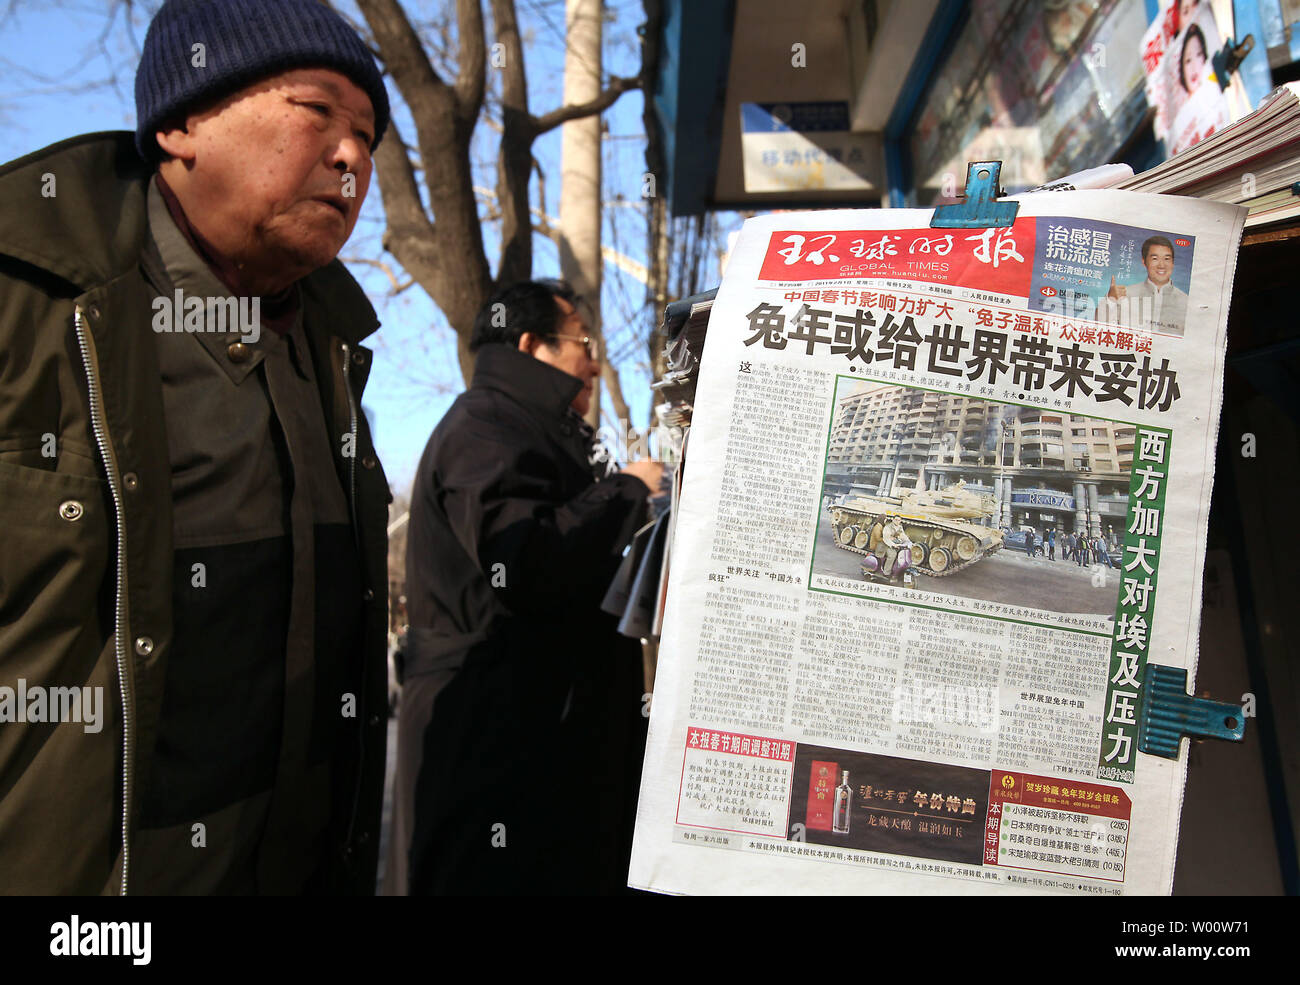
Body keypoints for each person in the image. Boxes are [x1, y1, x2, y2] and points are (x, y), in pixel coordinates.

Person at [0, 0, 392, 894]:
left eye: (367, 137)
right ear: (180, 124)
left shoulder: (332, 351)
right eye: (316, 111)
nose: (351, 157)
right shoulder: (29, 305)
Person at [389, 280, 664, 895]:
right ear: (531, 345)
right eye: (582, 343)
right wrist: (628, 490)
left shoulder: (526, 427)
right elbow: (527, 562)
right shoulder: (486, 426)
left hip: (531, 736)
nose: (592, 363)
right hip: (495, 748)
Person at [1098, 235, 1189, 336]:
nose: (1161, 265)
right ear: (1144, 262)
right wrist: (1110, 301)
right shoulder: (1124, 294)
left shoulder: (1186, 302)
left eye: (1167, 259)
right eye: (1155, 258)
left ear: (1173, 263)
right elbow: (1100, 329)